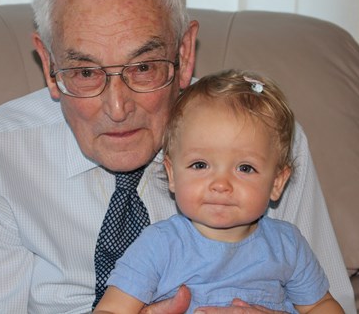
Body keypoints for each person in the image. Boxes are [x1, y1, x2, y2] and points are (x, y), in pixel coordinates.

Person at [0, 0, 356, 313]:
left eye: (144, 67)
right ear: (48, 64)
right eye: (84, 72)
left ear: (185, 52)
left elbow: (327, 299)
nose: (117, 108)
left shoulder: (261, 141)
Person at [93, 70, 345, 314]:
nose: (221, 184)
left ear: (277, 182)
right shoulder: (159, 245)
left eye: (245, 168)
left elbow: (320, 305)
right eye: (200, 165)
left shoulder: (287, 246)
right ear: (172, 174)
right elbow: (112, 309)